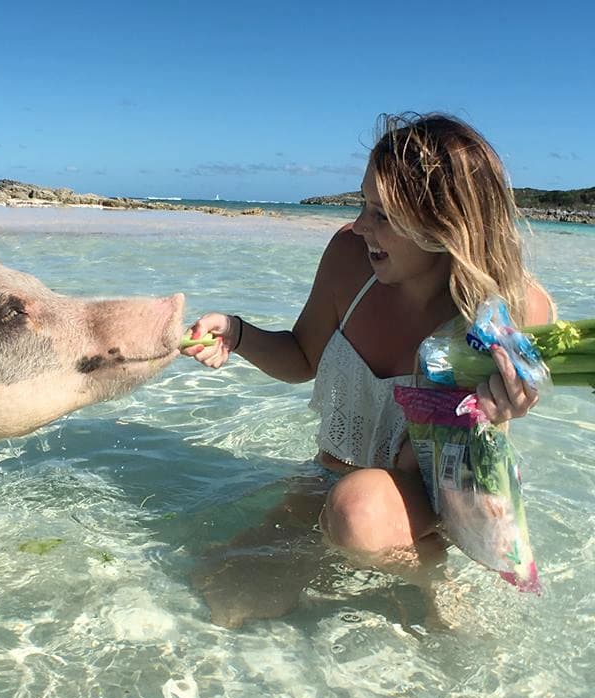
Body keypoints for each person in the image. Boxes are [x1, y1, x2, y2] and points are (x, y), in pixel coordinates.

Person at [182, 112, 553, 626]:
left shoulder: (514, 308)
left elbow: (471, 468)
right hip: (326, 482)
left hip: (424, 508)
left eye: (381, 213)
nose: (360, 225)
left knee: (356, 512)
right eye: (363, 204)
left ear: (443, 225)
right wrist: (238, 334)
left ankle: (434, 577)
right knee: (215, 595)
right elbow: (303, 358)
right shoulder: (350, 258)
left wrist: (503, 408)